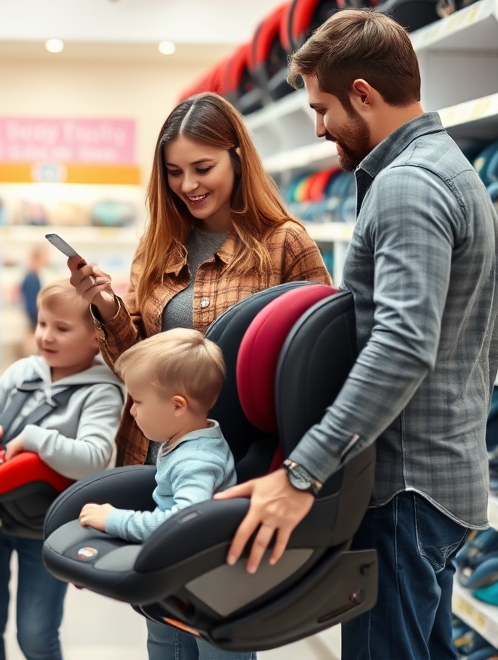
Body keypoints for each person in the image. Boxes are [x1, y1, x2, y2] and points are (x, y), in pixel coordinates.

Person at [217, 9, 498, 660]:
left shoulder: (407, 187)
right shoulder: (446, 169)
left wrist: (303, 473)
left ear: (363, 96)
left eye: (322, 108)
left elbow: (402, 344)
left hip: (404, 489)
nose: (317, 128)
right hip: (435, 481)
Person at [67, 91, 331, 659]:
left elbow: (321, 354)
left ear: (237, 156)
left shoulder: (285, 244)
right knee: (163, 627)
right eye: (174, 172)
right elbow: (136, 367)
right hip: (159, 457)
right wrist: (108, 309)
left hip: (240, 467)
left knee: (221, 628)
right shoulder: (157, 246)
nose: (188, 184)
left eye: (203, 167)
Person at [0, 281, 125, 660]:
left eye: (62, 329)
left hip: (45, 526)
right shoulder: (22, 372)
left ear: (97, 337)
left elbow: (94, 456)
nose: (47, 337)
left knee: (36, 634)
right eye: (42, 324)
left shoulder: (101, 391)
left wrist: (36, 439)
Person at [78, 329, 244, 660]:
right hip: (180, 577)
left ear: (177, 406)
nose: (132, 411)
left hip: (212, 589)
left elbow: (180, 525)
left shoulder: (197, 460)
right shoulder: (186, 438)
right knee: (164, 642)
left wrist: (114, 519)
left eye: (137, 401)